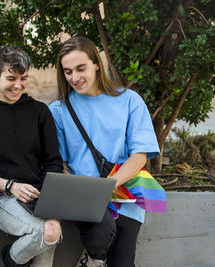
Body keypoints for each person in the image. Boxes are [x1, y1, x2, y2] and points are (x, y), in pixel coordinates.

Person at [49, 36, 160, 267]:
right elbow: (58, 162)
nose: (75, 78)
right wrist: (85, 191)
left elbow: (139, 155)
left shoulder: (130, 101)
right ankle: (93, 260)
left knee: (123, 262)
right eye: (68, 72)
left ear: (97, 64)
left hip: (126, 193)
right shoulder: (58, 110)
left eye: (81, 69)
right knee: (102, 230)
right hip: (84, 196)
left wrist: (111, 184)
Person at [0, 46, 63, 267]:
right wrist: (11, 186)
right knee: (43, 232)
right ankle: (12, 259)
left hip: (39, 196)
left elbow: (53, 162)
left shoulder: (40, 112)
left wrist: (52, 202)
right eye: (11, 78)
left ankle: (13, 259)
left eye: (24, 78)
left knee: (53, 230)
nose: (18, 85)